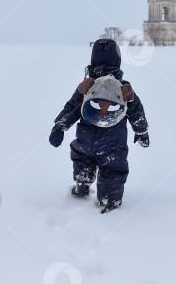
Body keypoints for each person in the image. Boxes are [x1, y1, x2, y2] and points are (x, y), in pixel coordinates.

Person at [48, 38, 149, 213]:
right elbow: (137, 112)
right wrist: (142, 132)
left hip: (86, 138)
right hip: (114, 143)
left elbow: (72, 108)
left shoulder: (88, 86)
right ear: (117, 61)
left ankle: (82, 185)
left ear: (92, 60)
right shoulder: (124, 88)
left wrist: (59, 127)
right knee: (113, 169)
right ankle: (109, 201)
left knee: (82, 159)